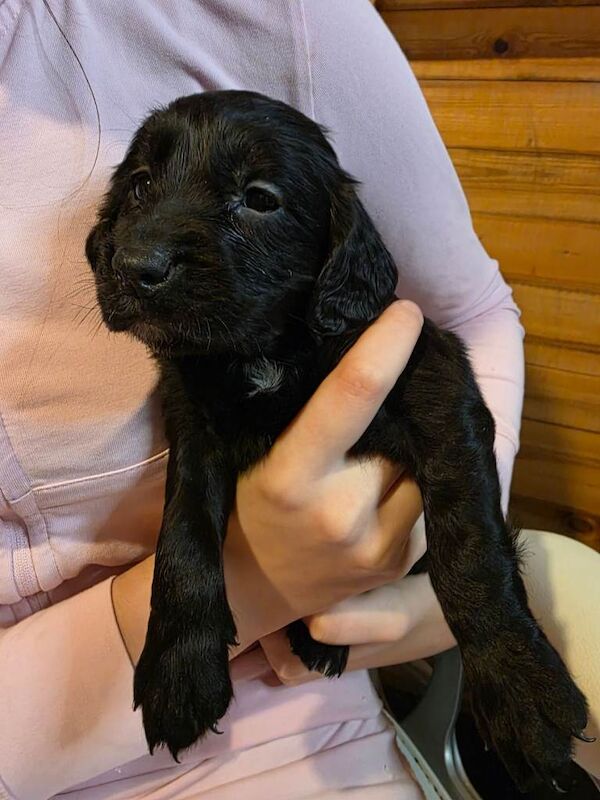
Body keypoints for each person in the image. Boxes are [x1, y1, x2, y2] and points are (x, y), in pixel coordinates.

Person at [0, 1, 598, 798]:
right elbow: (198, 471)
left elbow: (467, 336)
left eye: (256, 198)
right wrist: (238, 589)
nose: (141, 249)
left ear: (335, 246)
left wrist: (476, 605)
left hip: (298, 711)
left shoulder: (283, 17)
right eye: (141, 187)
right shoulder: (197, 366)